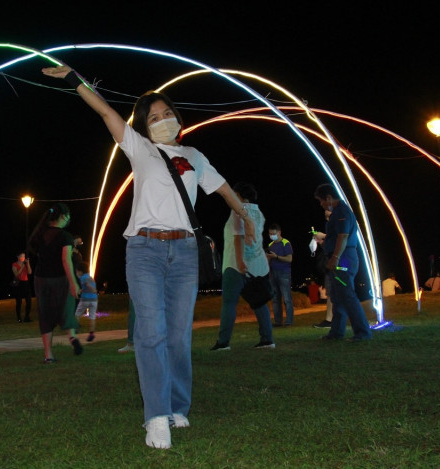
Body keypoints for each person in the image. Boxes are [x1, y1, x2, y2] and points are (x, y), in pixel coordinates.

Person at [42, 64, 255, 450]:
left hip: (186, 251)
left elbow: (223, 189)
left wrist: (246, 217)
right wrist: (76, 79)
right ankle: (156, 416)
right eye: (153, 117)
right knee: (151, 332)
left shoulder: (194, 155)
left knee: (177, 335)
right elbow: (105, 111)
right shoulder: (139, 147)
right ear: (143, 125)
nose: (162, 120)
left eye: (166, 114)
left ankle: (177, 406)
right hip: (145, 250)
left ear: (177, 116)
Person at [211, 182, 275, 351]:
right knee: (259, 302)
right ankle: (267, 339)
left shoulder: (237, 211)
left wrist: (240, 262)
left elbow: (239, 237)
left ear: (239, 195)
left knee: (229, 303)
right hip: (258, 265)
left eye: (233, 193)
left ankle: (223, 342)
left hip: (236, 265)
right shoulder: (258, 213)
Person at [314, 183, 372, 341]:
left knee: (347, 296)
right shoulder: (338, 212)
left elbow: (343, 236)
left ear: (329, 198)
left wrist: (335, 257)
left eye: (321, 201)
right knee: (337, 297)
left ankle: (362, 333)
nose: (321, 204)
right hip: (341, 256)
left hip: (344, 258)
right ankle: (336, 333)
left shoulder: (342, 212)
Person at [27, 202, 82, 363]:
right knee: (67, 306)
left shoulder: (40, 234)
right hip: (60, 278)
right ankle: (72, 337)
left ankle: (48, 355)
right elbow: (66, 260)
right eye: (68, 215)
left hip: (41, 278)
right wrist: (73, 282)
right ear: (63, 216)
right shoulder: (65, 236)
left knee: (45, 314)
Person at [266, 223, 293, 327]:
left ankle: (288, 321)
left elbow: (289, 259)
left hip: (284, 273)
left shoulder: (286, 243)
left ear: (279, 232)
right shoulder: (270, 245)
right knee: (275, 299)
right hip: (272, 273)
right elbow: (268, 260)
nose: (272, 235)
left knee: (286, 298)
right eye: (270, 233)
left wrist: (276, 257)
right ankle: (278, 322)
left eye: (273, 233)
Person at [74, 262, 99, 341]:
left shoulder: (83, 277)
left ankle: (75, 329)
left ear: (80, 271)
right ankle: (91, 333)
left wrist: (93, 290)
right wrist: (82, 290)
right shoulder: (90, 277)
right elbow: (87, 286)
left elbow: (87, 285)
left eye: (77, 271)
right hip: (94, 300)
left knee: (77, 314)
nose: (76, 273)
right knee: (92, 317)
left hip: (85, 299)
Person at [11, 252, 33, 323]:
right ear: (18, 257)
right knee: (19, 302)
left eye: (24, 256)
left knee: (29, 301)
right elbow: (16, 274)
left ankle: (27, 317)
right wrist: (22, 266)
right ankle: (19, 318)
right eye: (21, 256)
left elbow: (29, 272)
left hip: (25, 283)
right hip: (18, 284)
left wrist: (28, 263)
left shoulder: (25, 264)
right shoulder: (14, 264)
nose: (23, 257)